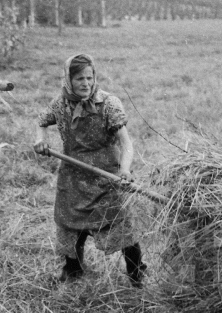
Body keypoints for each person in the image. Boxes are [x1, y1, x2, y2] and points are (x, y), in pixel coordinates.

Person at [34, 53, 147, 288]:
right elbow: (42, 120)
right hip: (72, 177)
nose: (86, 83)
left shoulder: (108, 104)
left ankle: (136, 274)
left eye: (89, 77)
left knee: (120, 225)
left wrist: (124, 171)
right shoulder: (61, 104)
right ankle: (73, 269)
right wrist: (41, 140)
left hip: (106, 178)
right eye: (79, 79)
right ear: (68, 80)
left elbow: (126, 144)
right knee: (70, 224)